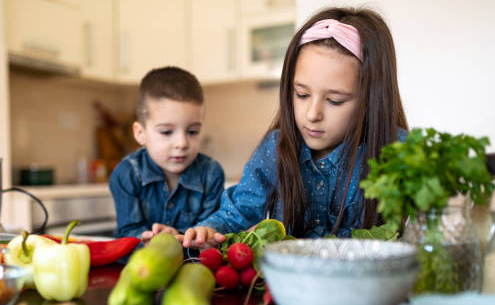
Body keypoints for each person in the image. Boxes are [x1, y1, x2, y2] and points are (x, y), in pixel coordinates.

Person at [181, 6, 408, 249]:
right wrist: (207, 231)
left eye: (334, 101)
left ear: (371, 99)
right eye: (301, 94)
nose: (312, 114)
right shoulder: (276, 148)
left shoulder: (397, 152)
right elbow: (238, 213)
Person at [109, 66, 225, 242]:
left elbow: (210, 231)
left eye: (192, 131)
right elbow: (127, 232)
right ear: (140, 133)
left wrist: (179, 237)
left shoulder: (212, 174)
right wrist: (153, 241)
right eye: (166, 132)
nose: (182, 143)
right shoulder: (126, 173)